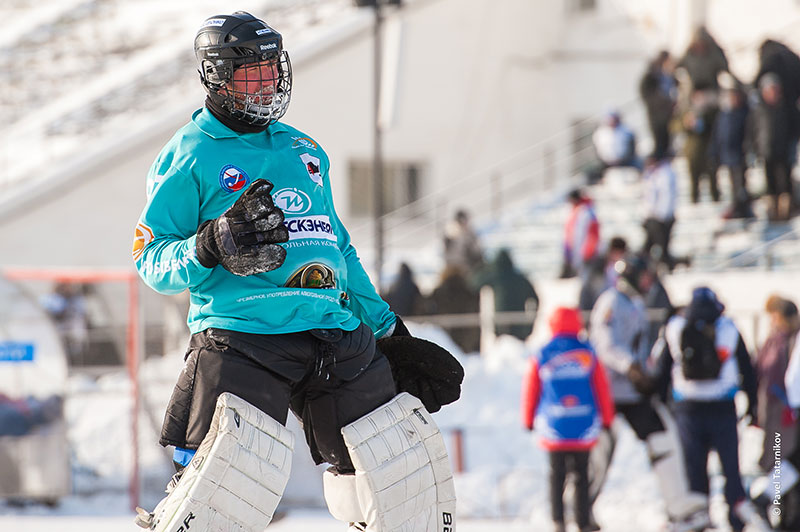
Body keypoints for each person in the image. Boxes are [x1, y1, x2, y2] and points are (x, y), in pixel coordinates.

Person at [131, 12, 463, 532]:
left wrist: (388, 331)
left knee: (402, 485)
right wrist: (208, 244)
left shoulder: (305, 150)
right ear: (215, 76)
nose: (265, 83)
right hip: (244, 336)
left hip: (334, 334)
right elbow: (150, 259)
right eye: (250, 73)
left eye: (270, 68)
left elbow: (339, 251)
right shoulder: (189, 154)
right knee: (219, 498)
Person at [587, 256, 709, 531]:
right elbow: (604, 344)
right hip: (609, 393)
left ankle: (677, 504)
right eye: (644, 278)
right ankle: (582, 507)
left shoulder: (636, 304)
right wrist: (629, 366)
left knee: (662, 436)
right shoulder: (611, 302)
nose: (647, 283)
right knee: (600, 452)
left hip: (633, 392)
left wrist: (645, 370)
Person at [648, 287, 767, 532]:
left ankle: (700, 518)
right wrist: (753, 405)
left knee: (694, 468)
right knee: (730, 468)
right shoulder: (729, 328)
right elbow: (747, 370)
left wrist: (662, 404)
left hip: (688, 409)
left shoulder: (674, 328)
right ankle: (736, 518)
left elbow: (662, 372)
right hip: (723, 406)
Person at [521, 307, 615, 532]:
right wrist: (607, 419)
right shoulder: (588, 352)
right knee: (582, 475)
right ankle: (582, 521)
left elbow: (531, 388)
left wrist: (528, 419)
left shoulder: (543, 353)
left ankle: (558, 520)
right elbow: (601, 387)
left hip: (555, 426)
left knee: (556, 475)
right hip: (583, 425)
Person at [710, 74, 753, 219]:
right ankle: (736, 207)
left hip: (739, 155)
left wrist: (748, 149)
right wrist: (714, 152)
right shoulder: (723, 114)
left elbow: (749, 134)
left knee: (741, 184)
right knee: (732, 184)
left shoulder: (744, 113)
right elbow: (717, 135)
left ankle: (743, 208)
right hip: (727, 155)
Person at [753, 73, 795, 221]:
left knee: (785, 181)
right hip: (766, 151)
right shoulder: (759, 111)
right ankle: (772, 211)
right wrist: (754, 149)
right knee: (769, 182)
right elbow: (753, 131)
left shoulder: (787, 109)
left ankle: (786, 210)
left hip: (784, 150)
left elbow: (794, 129)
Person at [473, 248, 539, 341]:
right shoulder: (521, 278)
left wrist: (485, 267)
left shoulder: (495, 276)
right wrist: (529, 323)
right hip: (519, 325)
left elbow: (474, 284)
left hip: (500, 324)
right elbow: (535, 299)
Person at [640, 152, 678, 270]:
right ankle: (645, 265)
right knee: (650, 245)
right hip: (652, 216)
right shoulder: (651, 174)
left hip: (661, 217)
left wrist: (661, 215)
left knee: (661, 244)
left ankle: (666, 265)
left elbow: (666, 196)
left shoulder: (665, 174)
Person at [39, 281, 90, 364]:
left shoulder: (77, 300)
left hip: (73, 334)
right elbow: (48, 315)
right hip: (55, 333)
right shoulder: (49, 299)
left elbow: (83, 315)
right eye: (63, 286)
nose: (66, 288)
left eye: (68, 286)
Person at [640, 50, 678, 158]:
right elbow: (646, 93)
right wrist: (664, 101)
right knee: (659, 142)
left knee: (668, 140)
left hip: (669, 113)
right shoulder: (652, 77)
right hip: (657, 115)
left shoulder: (670, 76)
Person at [589, 110, 642, 181]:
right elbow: (596, 151)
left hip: (626, 162)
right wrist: (607, 161)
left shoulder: (627, 131)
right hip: (606, 163)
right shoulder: (599, 133)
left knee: (639, 167)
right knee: (590, 173)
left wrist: (621, 161)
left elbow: (632, 150)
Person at [561, 188, 600, 280]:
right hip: (578, 254)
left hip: (585, 255)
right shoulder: (577, 212)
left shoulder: (586, 213)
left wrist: (584, 254)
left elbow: (587, 236)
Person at [443, 208, 484, 278]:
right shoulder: (451, 232)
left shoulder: (470, 233)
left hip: (470, 269)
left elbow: (477, 252)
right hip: (456, 269)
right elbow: (449, 254)